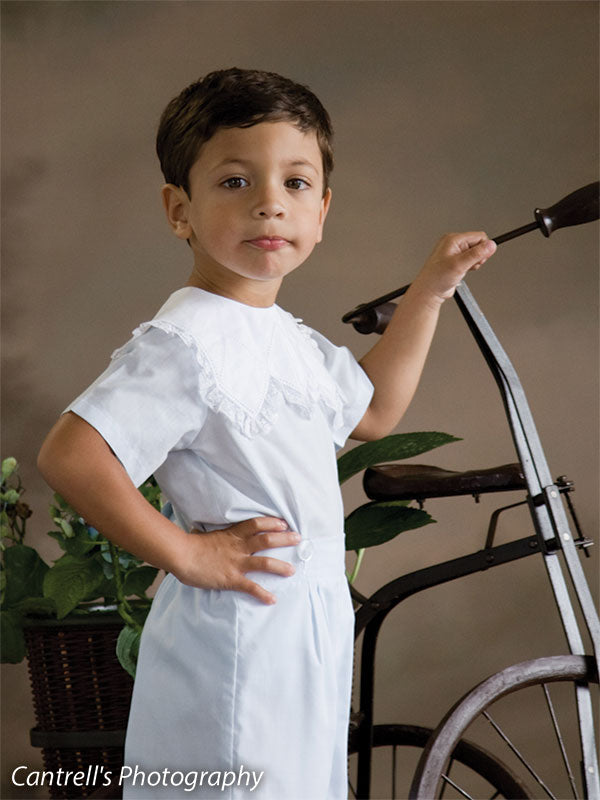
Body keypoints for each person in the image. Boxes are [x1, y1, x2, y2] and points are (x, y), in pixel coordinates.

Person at [38, 67, 496, 799]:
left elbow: (371, 411)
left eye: (295, 183)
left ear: (322, 211)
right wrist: (185, 553)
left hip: (298, 633)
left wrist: (431, 292)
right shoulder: (185, 341)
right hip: (236, 636)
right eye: (234, 183)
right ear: (178, 209)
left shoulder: (286, 338)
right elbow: (72, 452)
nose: (269, 207)